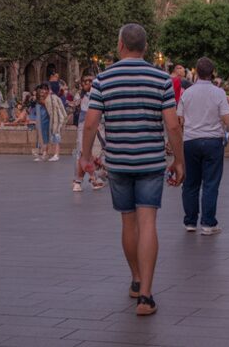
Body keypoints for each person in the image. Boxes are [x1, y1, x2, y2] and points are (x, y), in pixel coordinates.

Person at [79, 23, 183, 317]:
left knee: (128, 223)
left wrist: (86, 158)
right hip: (150, 162)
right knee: (148, 222)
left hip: (119, 162)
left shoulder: (102, 80)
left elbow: (90, 123)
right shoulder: (161, 79)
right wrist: (179, 160)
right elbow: (172, 124)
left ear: (121, 45)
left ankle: (136, 279)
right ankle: (146, 297)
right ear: (146, 48)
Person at [178, 57, 229, 235]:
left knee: (191, 182)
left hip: (190, 140)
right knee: (210, 183)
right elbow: (227, 119)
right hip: (212, 140)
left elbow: (180, 119)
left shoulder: (187, 93)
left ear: (197, 72)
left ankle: (190, 221)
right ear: (212, 73)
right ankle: (208, 223)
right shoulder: (219, 93)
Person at [72, 75, 106, 192]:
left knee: (97, 153)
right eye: (85, 81)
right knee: (82, 152)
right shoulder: (80, 96)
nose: (88, 83)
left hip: (97, 125)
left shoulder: (98, 94)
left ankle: (89, 178)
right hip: (85, 125)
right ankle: (85, 179)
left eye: (90, 81)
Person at [41, 84, 67, 162]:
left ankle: (56, 154)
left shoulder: (50, 99)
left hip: (56, 120)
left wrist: (54, 124)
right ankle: (54, 154)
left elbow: (53, 113)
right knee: (55, 136)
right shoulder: (55, 97)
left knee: (56, 136)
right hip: (59, 119)